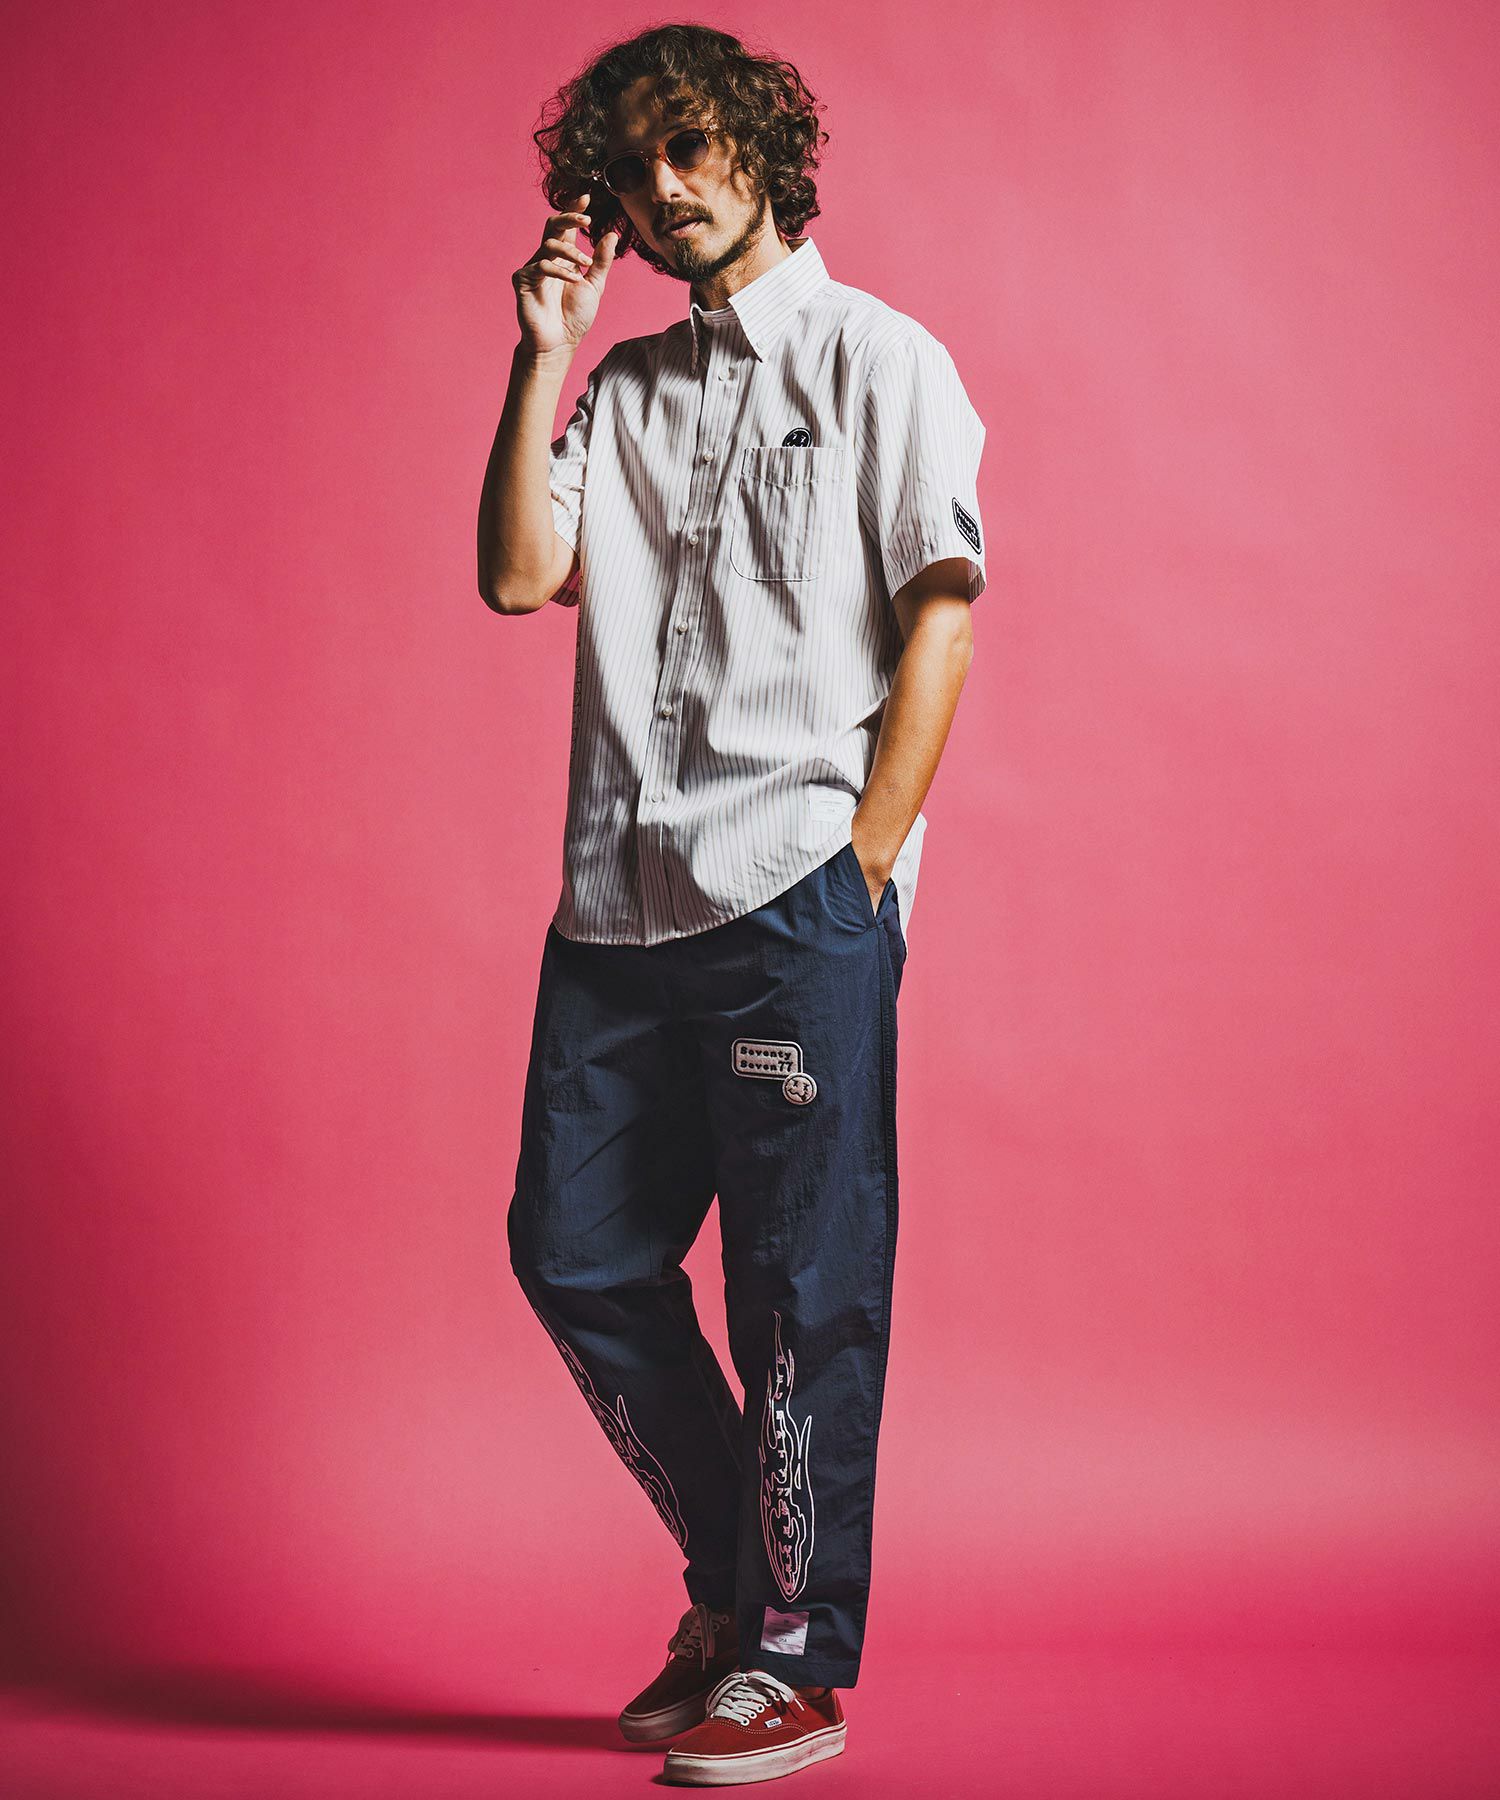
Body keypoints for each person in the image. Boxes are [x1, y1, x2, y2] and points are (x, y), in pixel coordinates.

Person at [477, 23, 987, 1787]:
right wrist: (543, 351)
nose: (666, 186)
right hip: (615, 913)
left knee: (797, 1293)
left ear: (766, 149)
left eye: (691, 147)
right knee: (576, 1255)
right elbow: (518, 574)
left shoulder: (880, 360)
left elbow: (942, 613)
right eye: (632, 168)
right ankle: (733, 1587)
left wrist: (865, 865)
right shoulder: (620, 389)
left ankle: (794, 1659)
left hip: (789, 902)